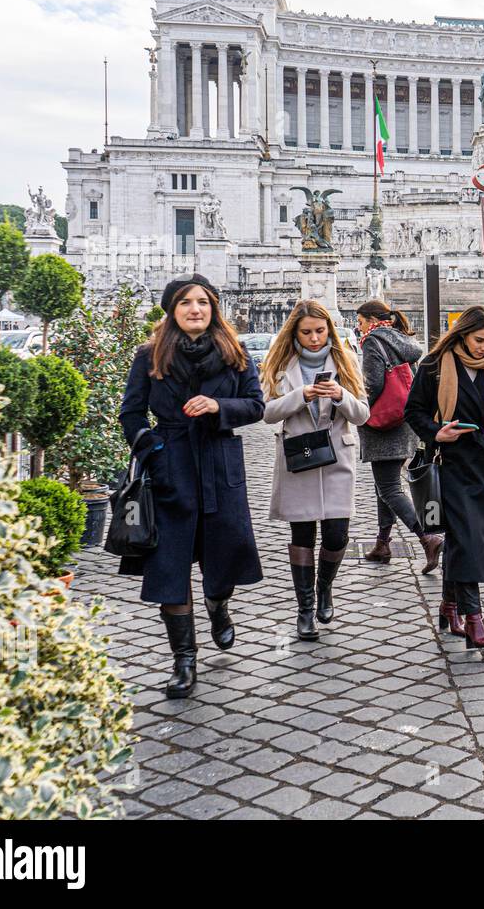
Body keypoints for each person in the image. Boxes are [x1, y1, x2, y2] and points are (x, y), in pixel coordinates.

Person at [118, 273, 265, 699]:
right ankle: (184, 660)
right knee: (171, 566)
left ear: (213, 308)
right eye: (185, 303)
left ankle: (219, 606)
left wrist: (219, 405)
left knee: (223, 557)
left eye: (202, 301)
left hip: (220, 465)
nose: (195, 309)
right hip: (172, 467)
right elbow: (131, 414)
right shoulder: (149, 355)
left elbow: (257, 405)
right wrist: (152, 448)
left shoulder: (235, 353)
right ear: (172, 310)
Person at [404, 305, 484, 649]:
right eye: (478, 340)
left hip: (479, 464)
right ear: (463, 334)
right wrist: (436, 432)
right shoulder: (434, 365)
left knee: (461, 538)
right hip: (446, 462)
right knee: (470, 537)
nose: (483, 347)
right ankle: (475, 620)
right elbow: (412, 411)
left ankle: (449, 605)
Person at [261, 300, 370, 641]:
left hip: (337, 456)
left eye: (319, 331)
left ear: (329, 330)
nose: (313, 338)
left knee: (337, 533)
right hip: (299, 457)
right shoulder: (279, 363)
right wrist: (301, 395)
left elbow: (363, 414)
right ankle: (305, 608)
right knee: (302, 535)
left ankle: (325, 588)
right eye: (306, 332)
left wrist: (340, 395)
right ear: (294, 332)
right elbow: (266, 412)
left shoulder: (345, 360)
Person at [356, 300, 443, 571]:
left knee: (389, 487)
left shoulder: (373, 341)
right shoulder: (402, 340)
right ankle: (383, 544)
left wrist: (356, 408)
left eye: (359, 322)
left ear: (371, 321)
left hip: (382, 423)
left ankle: (427, 538)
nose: (358, 328)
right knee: (384, 484)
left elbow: (373, 385)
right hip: (402, 421)